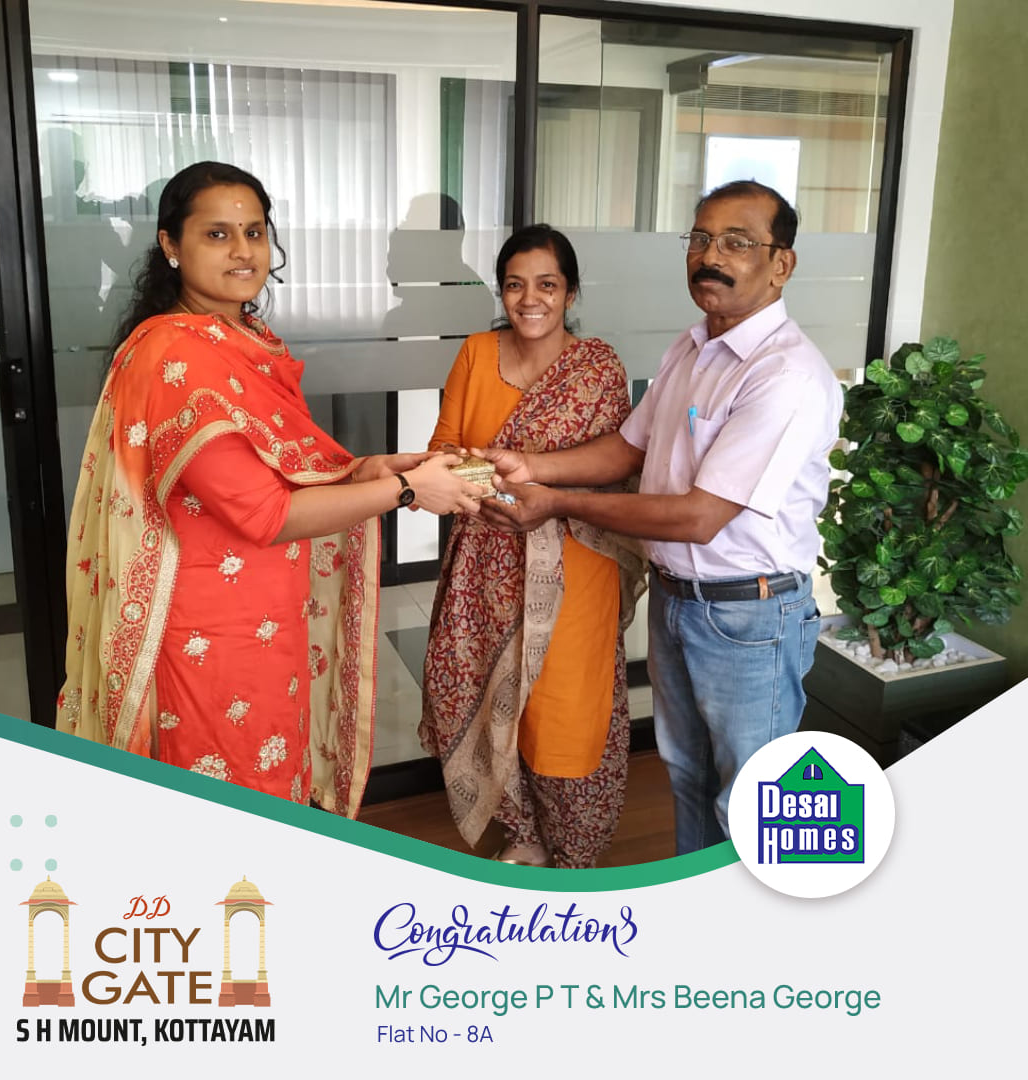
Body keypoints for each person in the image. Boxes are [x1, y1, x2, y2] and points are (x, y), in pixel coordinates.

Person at [55, 161, 481, 816]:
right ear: (171, 245)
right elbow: (264, 512)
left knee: (272, 775)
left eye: (254, 232)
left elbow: (281, 467)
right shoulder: (176, 355)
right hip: (209, 636)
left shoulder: (243, 338)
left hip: (266, 615)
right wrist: (404, 491)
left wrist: (375, 469)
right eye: (217, 234)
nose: (243, 251)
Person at [480, 181, 843, 855]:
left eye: (737, 242)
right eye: (701, 238)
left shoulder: (785, 375)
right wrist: (530, 466)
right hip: (678, 602)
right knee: (689, 777)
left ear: (781, 264)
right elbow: (627, 448)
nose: (711, 256)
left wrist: (554, 501)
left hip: (750, 615)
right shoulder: (693, 347)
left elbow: (701, 517)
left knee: (752, 802)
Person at [419, 224, 645, 869]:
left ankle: (575, 847)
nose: (530, 299)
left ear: (570, 293)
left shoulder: (596, 366)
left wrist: (529, 476)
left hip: (573, 560)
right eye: (515, 285)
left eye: (547, 284)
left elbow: (616, 463)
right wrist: (485, 483)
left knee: (562, 702)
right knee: (481, 689)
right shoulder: (475, 352)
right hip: (484, 554)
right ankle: (522, 829)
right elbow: (444, 447)